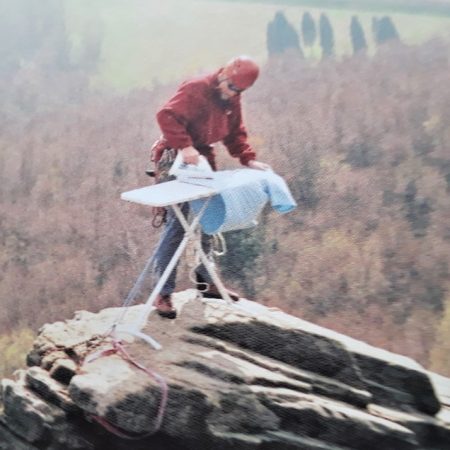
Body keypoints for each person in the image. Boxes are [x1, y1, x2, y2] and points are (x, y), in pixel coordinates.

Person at [150, 56, 271, 319]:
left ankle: (206, 282)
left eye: (239, 91)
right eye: (232, 88)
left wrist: (248, 158)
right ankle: (163, 292)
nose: (233, 94)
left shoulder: (231, 97)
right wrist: (185, 145)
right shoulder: (196, 88)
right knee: (178, 224)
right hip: (175, 157)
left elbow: (234, 131)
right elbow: (166, 115)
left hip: (202, 159)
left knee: (209, 219)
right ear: (224, 76)